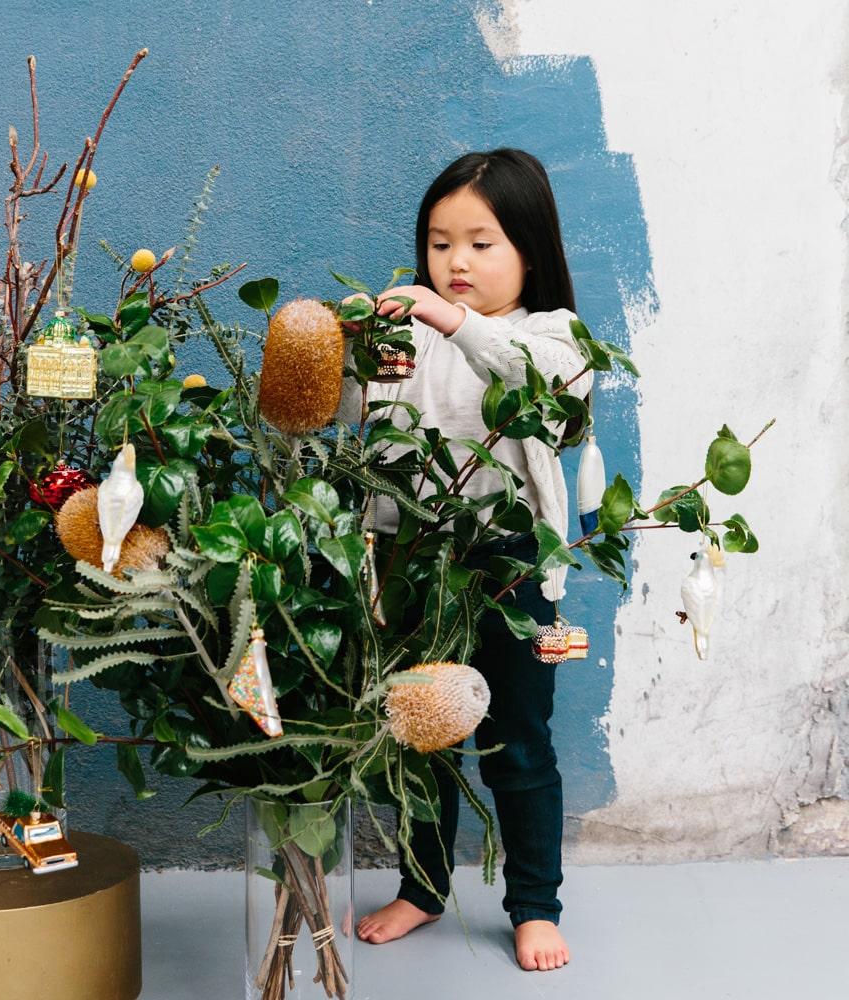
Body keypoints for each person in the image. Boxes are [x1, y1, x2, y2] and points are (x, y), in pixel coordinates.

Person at [338, 148, 592, 973]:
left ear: (530, 249)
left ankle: (534, 904)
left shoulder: (551, 336)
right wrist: (349, 357)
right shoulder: (408, 335)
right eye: (440, 242)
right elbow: (353, 427)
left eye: (481, 242)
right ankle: (423, 885)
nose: (455, 262)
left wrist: (451, 322)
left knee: (517, 740)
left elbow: (549, 396)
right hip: (412, 554)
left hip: (508, 563)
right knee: (421, 735)